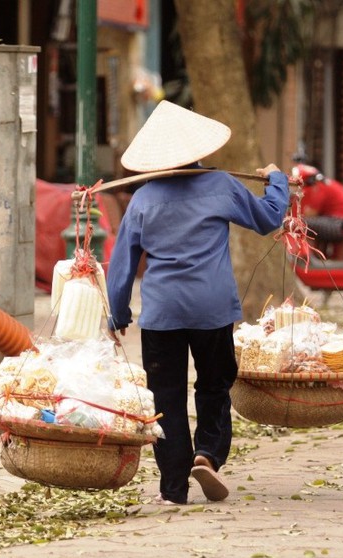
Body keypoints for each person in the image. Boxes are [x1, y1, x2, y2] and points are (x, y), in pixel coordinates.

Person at [105, 101, 290, 505]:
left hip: (162, 314)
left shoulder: (142, 200)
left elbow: (121, 265)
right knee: (214, 385)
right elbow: (269, 218)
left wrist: (117, 313)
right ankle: (207, 453)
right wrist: (277, 181)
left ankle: (173, 489)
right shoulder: (221, 185)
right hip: (213, 310)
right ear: (197, 151)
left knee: (166, 398)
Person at [291, 163, 343, 259]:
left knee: (302, 223)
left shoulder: (319, 187)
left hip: (339, 224)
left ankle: (306, 258)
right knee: (311, 223)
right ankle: (316, 258)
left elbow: (311, 213)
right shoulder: (325, 184)